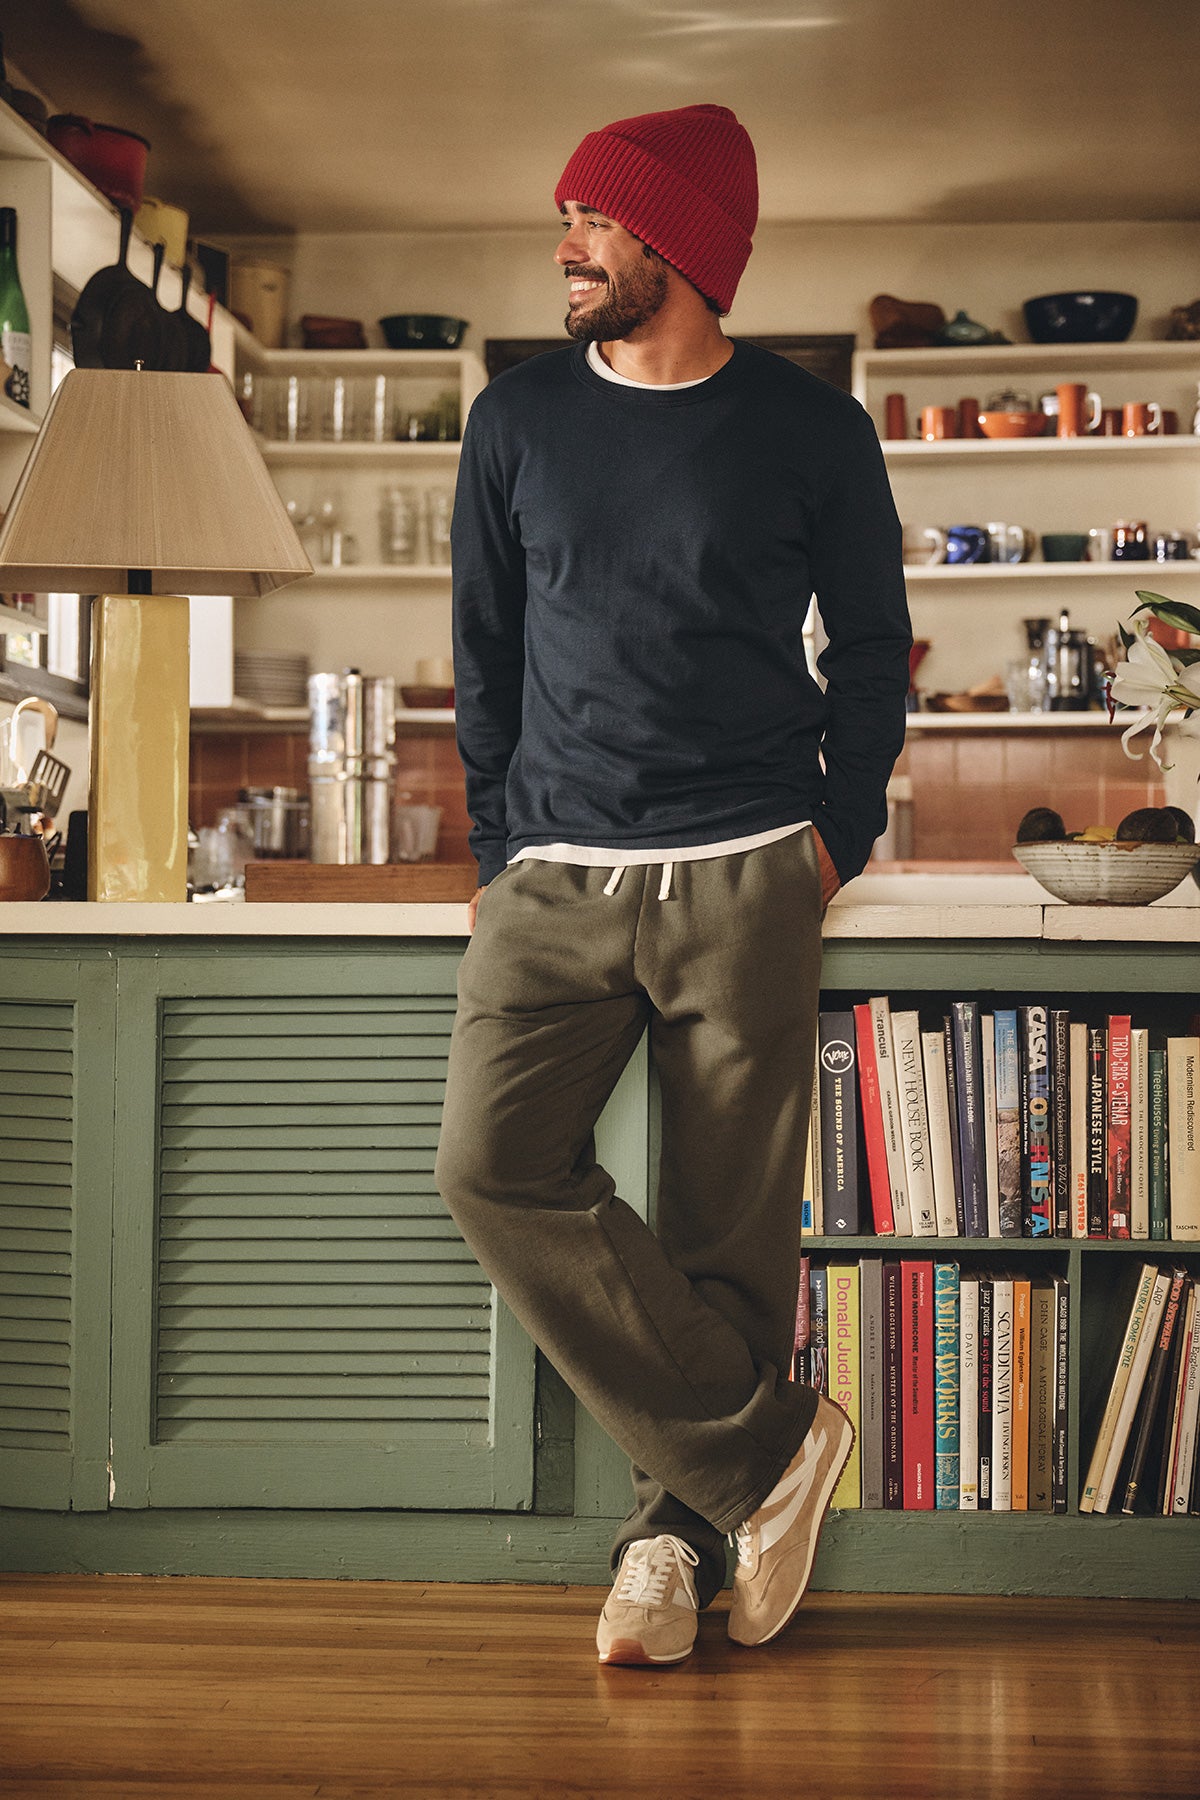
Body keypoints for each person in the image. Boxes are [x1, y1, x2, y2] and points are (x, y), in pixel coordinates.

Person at [436, 102, 911, 1666]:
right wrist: (504, 850)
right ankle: (771, 1448)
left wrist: (836, 834)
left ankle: (667, 1550)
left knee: (725, 1240)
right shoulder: (514, 421)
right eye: (568, 213)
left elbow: (874, 653)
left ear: (680, 244)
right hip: (558, 875)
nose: (565, 241)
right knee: (491, 1165)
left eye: (595, 217)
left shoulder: (811, 430)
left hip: (746, 870)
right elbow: (484, 661)